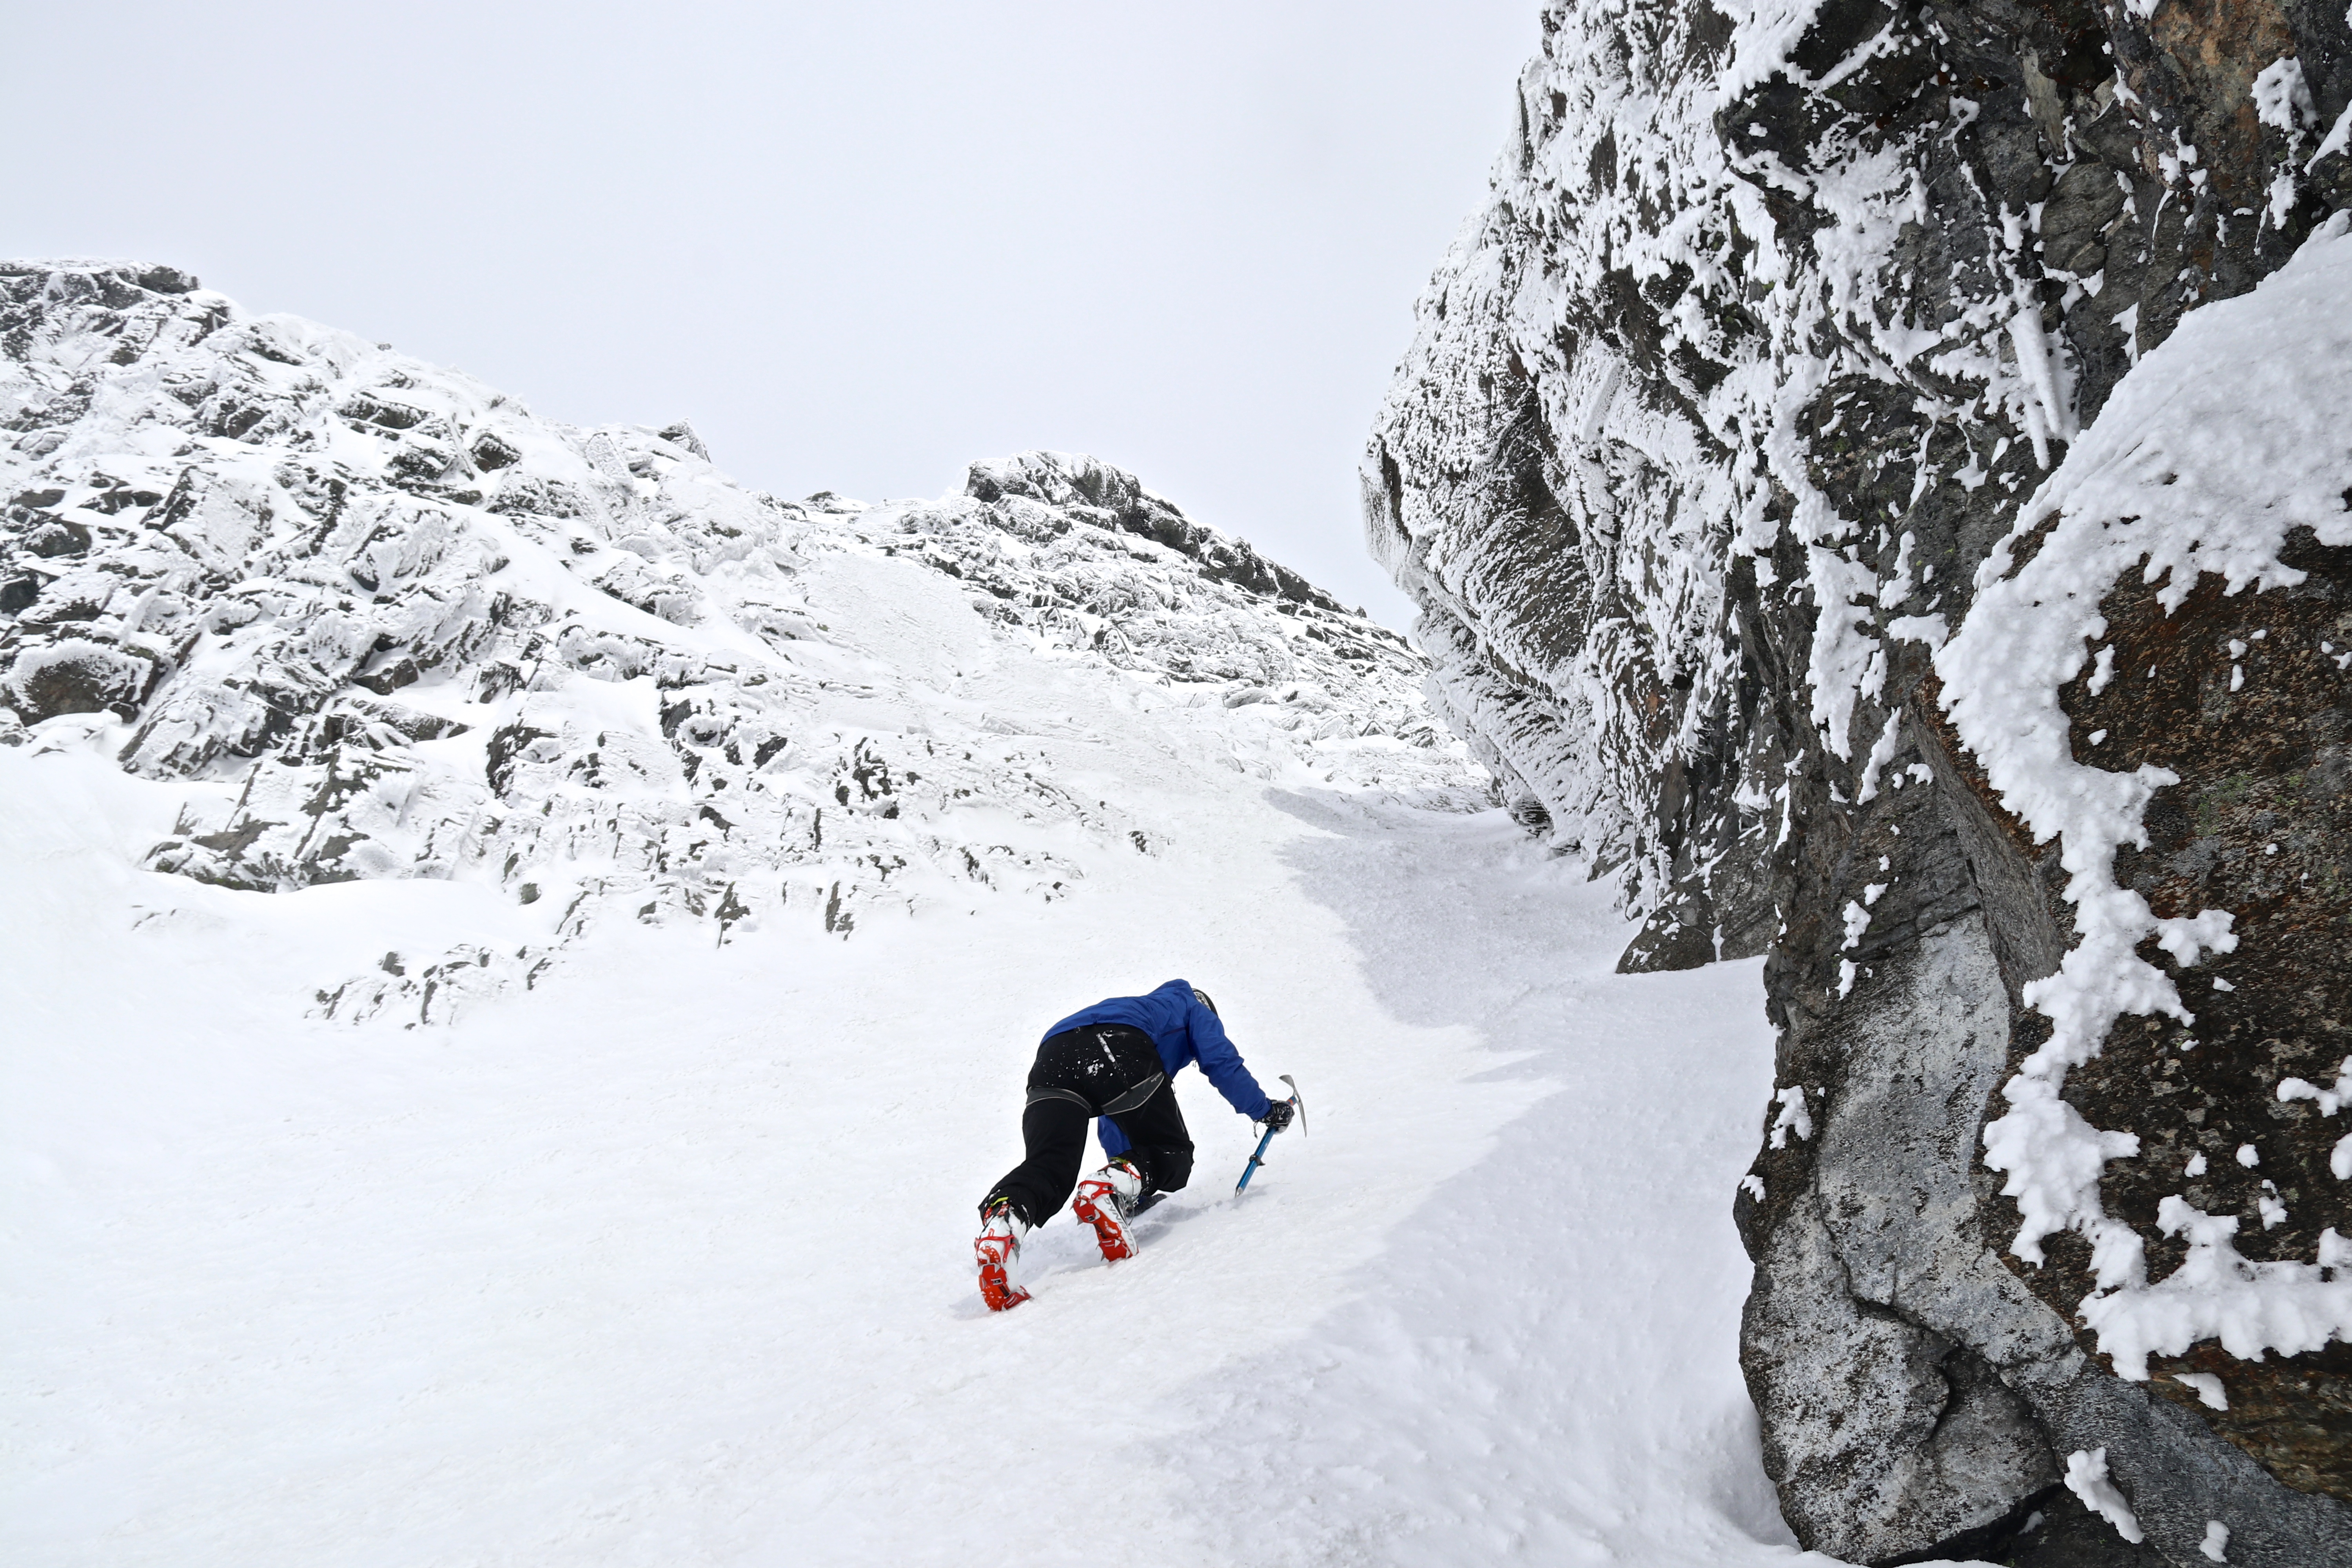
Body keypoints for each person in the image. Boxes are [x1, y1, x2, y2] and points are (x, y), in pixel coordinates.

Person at [975, 980, 1296, 1310]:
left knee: (1049, 1165)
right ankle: (1107, 1188)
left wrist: (1132, 1188)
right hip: (1116, 1045)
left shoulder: (1140, 1008)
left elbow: (1118, 1115)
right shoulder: (1192, 1005)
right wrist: (1266, 1110)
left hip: (1053, 1056)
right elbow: (1221, 1062)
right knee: (1172, 1153)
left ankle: (1005, 1222)